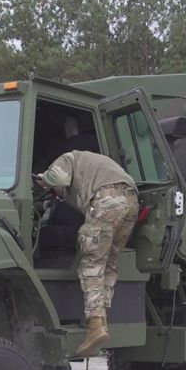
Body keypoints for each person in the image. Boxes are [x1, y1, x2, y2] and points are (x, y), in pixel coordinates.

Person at [34, 151, 138, 356]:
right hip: (131, 200)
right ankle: (102, 318)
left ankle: (95, 324)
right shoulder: (91, 162)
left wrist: (45, 178)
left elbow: (60, 177)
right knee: (109, 262)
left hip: (107, 199)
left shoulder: (67, 157)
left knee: (91, 261)